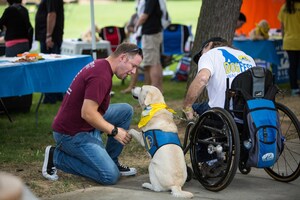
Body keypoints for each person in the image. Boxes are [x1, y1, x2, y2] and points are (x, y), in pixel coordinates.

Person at [42, 42, 143, 185]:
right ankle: (56, 157)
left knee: (125, 110)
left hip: (82, 123)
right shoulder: (101, 76)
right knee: (110, 176)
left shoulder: (102, 65)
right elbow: (88, 113)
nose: (133, 72)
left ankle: (111, 160)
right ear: (123, 58)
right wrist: (114, 131)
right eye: (133, 66)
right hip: (71, 133)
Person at [182, 37, 256, 120]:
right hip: (249, 110)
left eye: (201, 54)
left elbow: (202, 79)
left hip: (222, 112)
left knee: (195, 107)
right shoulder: (247, 57)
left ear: (209, 45)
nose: (201, 57)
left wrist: (187, 106)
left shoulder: (209, 55)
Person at [0, 0, 33, 113]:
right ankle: (25, 104)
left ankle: (11, 105)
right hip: (25, 43)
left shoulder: (9, 10)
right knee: (24, 74)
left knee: (11, 74)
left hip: (13, 45)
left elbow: (1, 24)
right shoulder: (24, 10)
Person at [35, 0, 64, 104]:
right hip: (53, 37)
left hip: (50, 38)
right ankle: (57, 95)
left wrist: (48, 35)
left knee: (48, 67)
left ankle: (50, 97)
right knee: (54, 67)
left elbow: (52, 14)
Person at [135, 0, 164, 92]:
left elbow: (145, 15)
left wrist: (136, 25)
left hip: (150, 34)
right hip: (155, 32)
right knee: (156, 61)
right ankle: (158, 88)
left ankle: (154, 89)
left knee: (151, 63)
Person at [278, 0, 300, 96]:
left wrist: (284, 39)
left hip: (288, 41)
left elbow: (282, 27)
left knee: (293, 66)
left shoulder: (284, 8)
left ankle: (294, 88)